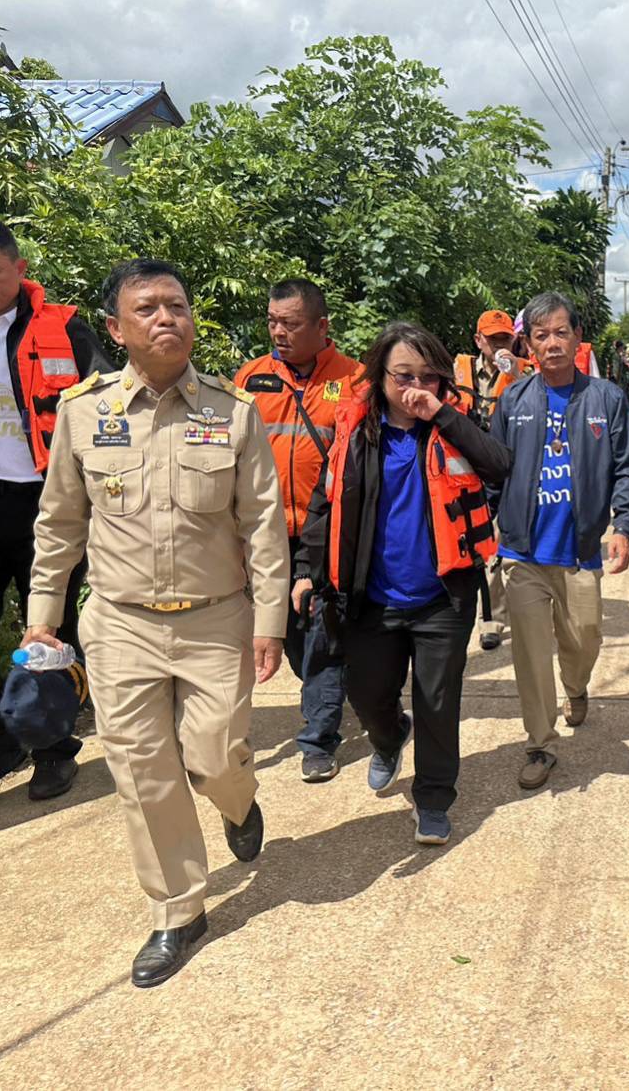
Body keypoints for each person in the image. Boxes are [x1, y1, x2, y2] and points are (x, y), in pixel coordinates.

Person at [25, 258, 289, 987]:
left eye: (177, 305)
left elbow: (264, 525)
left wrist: (270, 621)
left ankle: (239, 805)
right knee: (142, 772)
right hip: (119, 623)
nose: (166, 318)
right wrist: (43, 618)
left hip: (215, 620)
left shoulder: (234, 413)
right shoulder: (84, 412)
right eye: (147, 309)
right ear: (116, 328)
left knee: (213, 756)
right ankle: (178, 910)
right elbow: (60, 524)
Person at [296, 322, 511, 842]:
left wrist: (440, 414)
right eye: (402, 376)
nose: (415, 386)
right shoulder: (354, 431)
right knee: (368, 695)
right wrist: (306, 569)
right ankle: (389, 738)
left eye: (427, 377)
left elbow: (500, 467)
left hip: (443, 596)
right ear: (380, 375)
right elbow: (326, 504)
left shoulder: (452, 423)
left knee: (438, 702)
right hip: (370, 597)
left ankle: (434, 797)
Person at [0, 213, 113, 813]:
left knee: (49, 633)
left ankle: (54, 747)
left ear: (19, 267)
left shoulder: (64, 330)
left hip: (46, 502)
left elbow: (107, 406)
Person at [490, 292, 629, 790]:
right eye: (540, 335)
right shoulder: (513, 400)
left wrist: (622, 525)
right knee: (531, 655)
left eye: (560, 332)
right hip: (522, 553)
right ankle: (540, 742)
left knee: (584, 638)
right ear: (528, 344)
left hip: (579, 551)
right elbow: (494, 469)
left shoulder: (606, 399)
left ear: (577, 337)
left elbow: (626, 467)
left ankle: (576, 687)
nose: (552, 343)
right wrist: (489, 528)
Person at [232, 279, 358, 782]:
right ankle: (334, 694)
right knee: (292, 641)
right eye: (272, 322)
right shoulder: (250, 379)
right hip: (263, 533)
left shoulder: (354, 381)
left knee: (319, 632)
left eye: (291, 323)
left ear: (322, 326)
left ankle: (319, 739)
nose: (278, 332)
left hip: (325, 532)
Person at [454, 308, 529, 651]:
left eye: (505, 337)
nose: (501, 344)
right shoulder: (460, 372)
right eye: (494, 338)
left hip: (502, 467)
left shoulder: (525, 373)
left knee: (496, 545)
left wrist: (513, 373)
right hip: (464, 468)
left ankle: (492, 620)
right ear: (478, 340)